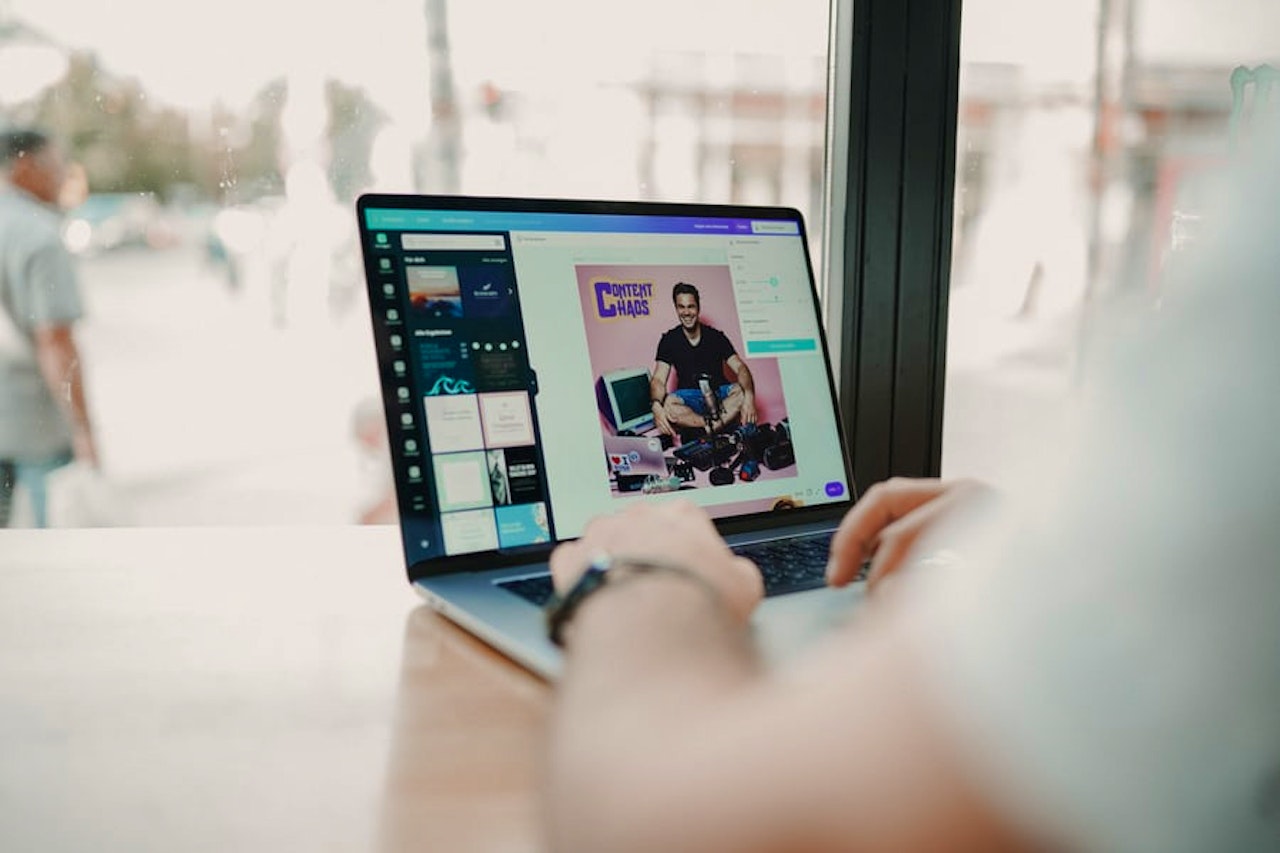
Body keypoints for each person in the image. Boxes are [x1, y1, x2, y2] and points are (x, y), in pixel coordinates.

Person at [541, 158, 1280, 850]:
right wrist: (1040, 546)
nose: (688, 309)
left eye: (692, 300)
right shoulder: (669, 342)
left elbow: (663, 829)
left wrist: (641, 580)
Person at [0, 127, 98, 527]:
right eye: (57, 166)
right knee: (57, 543)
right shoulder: (36, 233)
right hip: (32, 421)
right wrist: (83, 429)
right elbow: (55, 340)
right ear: (25, 166)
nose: (62, 177)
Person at [650, 282, 757, 436]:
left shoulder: (717, 337)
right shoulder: (669, 340)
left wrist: (750, 397)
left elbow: (740, 367)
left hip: (720, 397)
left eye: (691, 306)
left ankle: (710, 428)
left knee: (741, 392)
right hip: (690, 401)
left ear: (698, 307)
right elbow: (658, 379)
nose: (686, 312)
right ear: (676, 308)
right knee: (668, 405)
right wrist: (655, 405)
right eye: (681, 307)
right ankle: (711, 426)